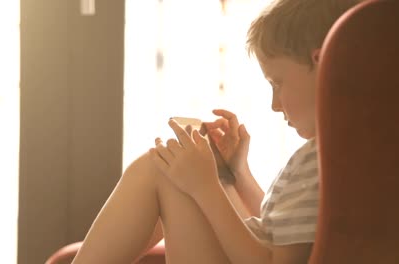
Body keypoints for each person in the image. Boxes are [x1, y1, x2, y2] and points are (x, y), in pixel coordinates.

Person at [71, 0, 361, 263]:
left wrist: (205, 186)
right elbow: (285, 232)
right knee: (189, 168)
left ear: (322, 61)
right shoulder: (350, 150)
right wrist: (238, 173)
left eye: (277, 83)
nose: (274, 105)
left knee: (161, 168)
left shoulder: (319, 158)